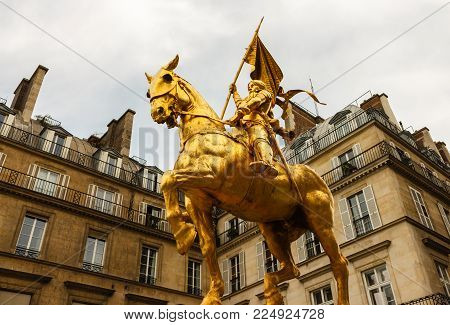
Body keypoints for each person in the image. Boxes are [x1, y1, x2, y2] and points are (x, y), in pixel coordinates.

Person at [227, 80, 280, 178]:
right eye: (248, 86)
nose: (250, 88)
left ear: (259, 86)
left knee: (257, 138)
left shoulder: (265, 93)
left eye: (252, 85)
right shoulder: (247, 98)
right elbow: (240, 104)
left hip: (257, 123)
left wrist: (239, 113)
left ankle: (267, 163)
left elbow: (256, 102)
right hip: (243, 127)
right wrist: (235, 93)